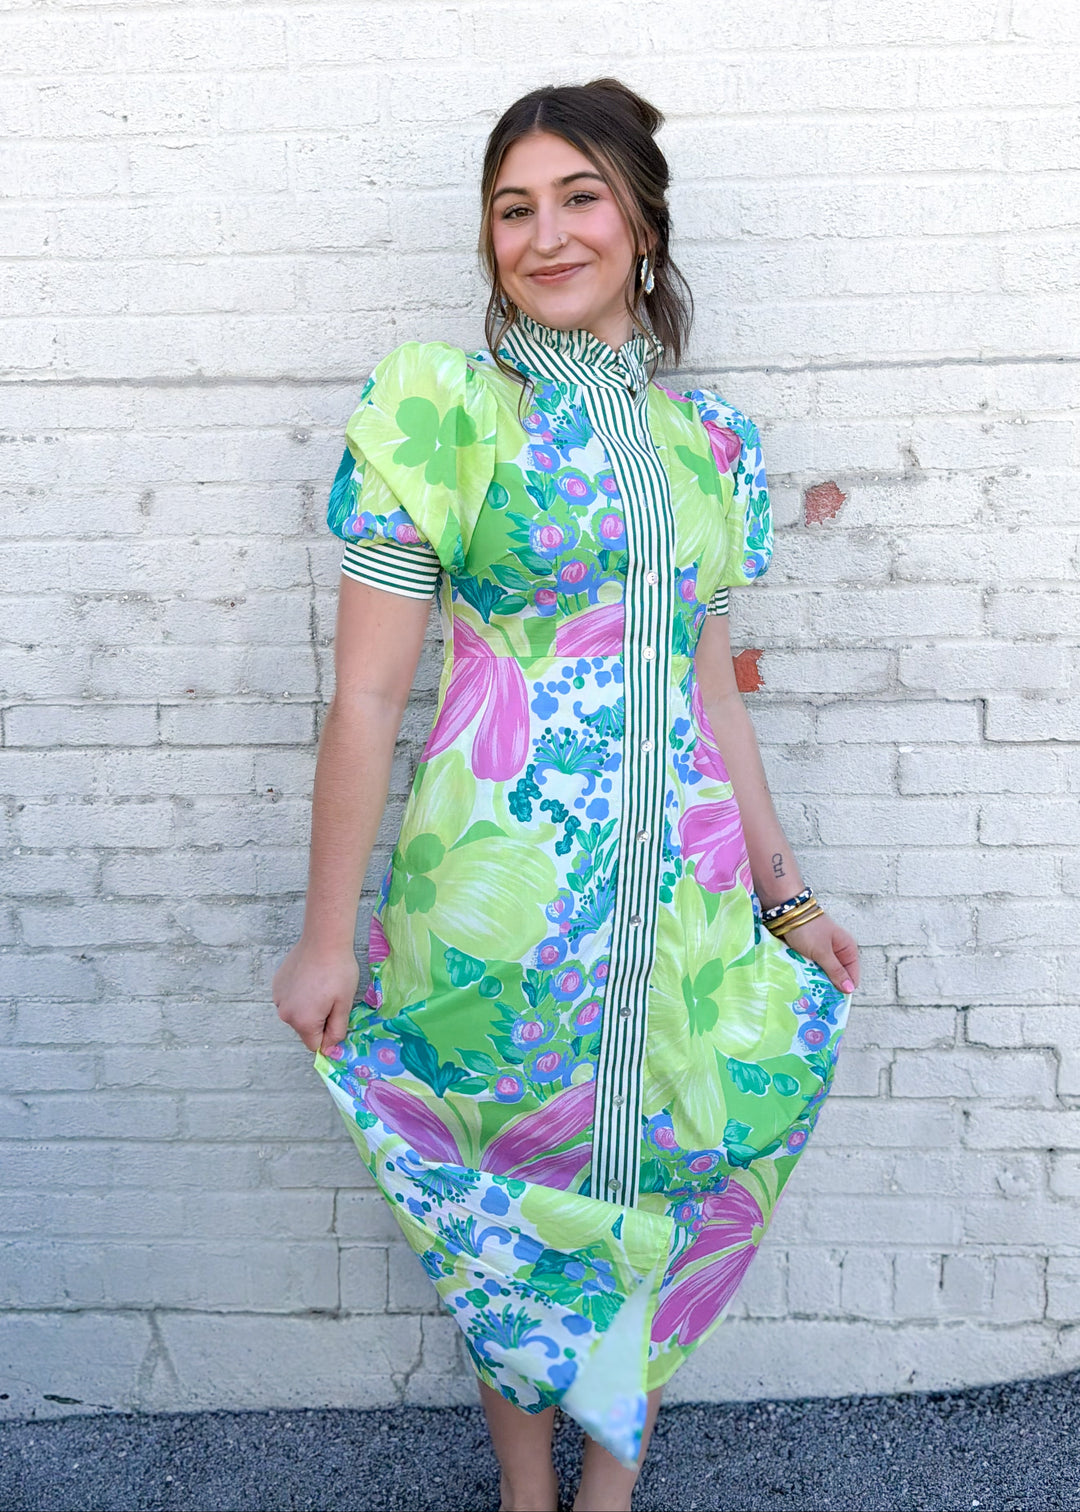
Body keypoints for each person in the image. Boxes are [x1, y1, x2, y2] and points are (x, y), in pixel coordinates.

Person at [273, 77, 860, 1512]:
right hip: (504, 890)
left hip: (688, 901)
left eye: (580, 198)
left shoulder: (712, 447)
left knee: (664, 1169)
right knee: (509, 1194)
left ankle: (610, 1492)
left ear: (642, 223)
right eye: (514, 209)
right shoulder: (444, 411)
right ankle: (526, 1492)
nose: (546, 235)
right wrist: (326, 935)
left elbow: (713, 689)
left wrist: (785, 893)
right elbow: (366, 697)